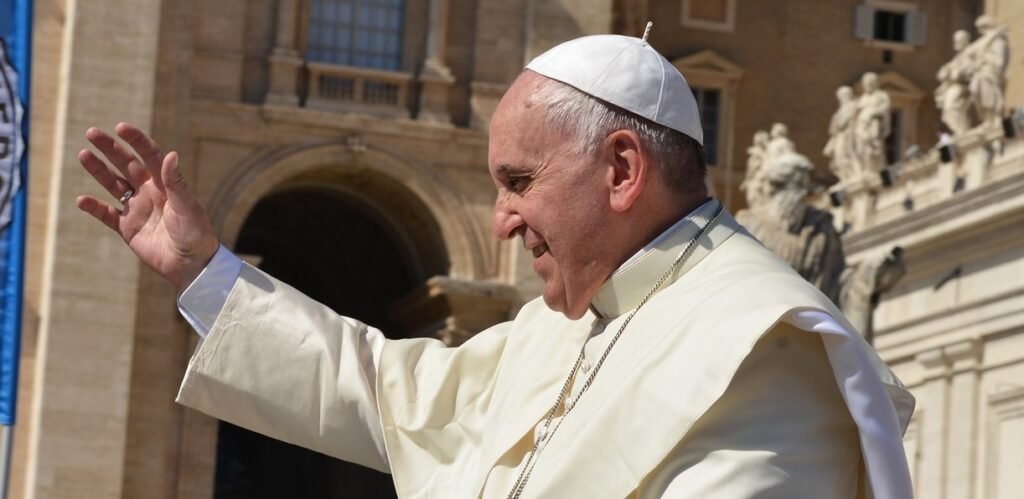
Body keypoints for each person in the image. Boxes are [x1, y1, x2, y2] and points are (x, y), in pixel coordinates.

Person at [77, 34, 914, 498]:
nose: (501, 220)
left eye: (519, 182)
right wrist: (202, 270)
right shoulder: (554, 330)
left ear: (622, 170)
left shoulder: (768, 347)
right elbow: (377, 388)